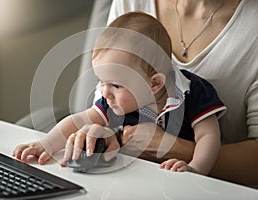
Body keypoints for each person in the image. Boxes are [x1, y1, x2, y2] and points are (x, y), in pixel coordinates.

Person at [13, 12, 226, 176]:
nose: (105, 92)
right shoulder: (114, 101)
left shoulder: (193, 92)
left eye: (115, 85)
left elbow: (208, 136)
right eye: (101, 82)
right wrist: (47, 144)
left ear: (154, 84)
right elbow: (79, 120)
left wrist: (196, 169)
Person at [103, 0, 258, 185]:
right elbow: (106, 101)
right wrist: (99, 135)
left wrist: (173, 148)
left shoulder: (251, 26)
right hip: (126, 181)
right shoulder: (130, 3)